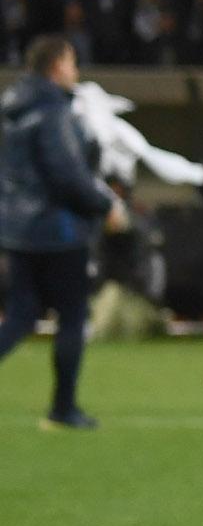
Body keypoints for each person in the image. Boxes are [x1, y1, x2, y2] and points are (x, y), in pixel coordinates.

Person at [0, 35, 130, 431]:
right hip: (57, 230)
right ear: (57, 66)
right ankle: (62, 408)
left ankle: (63, 406)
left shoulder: (11, 106)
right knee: (72, 316)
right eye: (72, 63)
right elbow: (67, 174)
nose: (75, 71)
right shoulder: (54, 110)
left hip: (16, 229)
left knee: (21, 314)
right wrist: (106, 205)